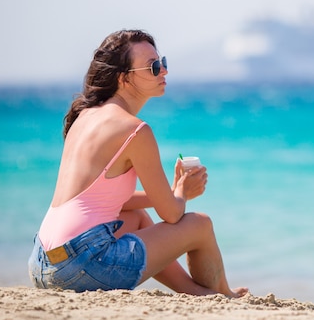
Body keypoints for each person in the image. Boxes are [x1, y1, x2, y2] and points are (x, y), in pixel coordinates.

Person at [28, 29, 248, 298]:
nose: (164, 71)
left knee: (135, 218)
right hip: (80, 266)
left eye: (163, 63)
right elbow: (173, 215)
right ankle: (221, 293)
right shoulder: (135, 130)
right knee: (199, 225)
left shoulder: (84, 117)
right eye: (154, 67)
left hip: (43, 262)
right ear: (124, 78)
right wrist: (181, 192)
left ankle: (195, 291)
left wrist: (167, 194)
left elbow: (100, 200)